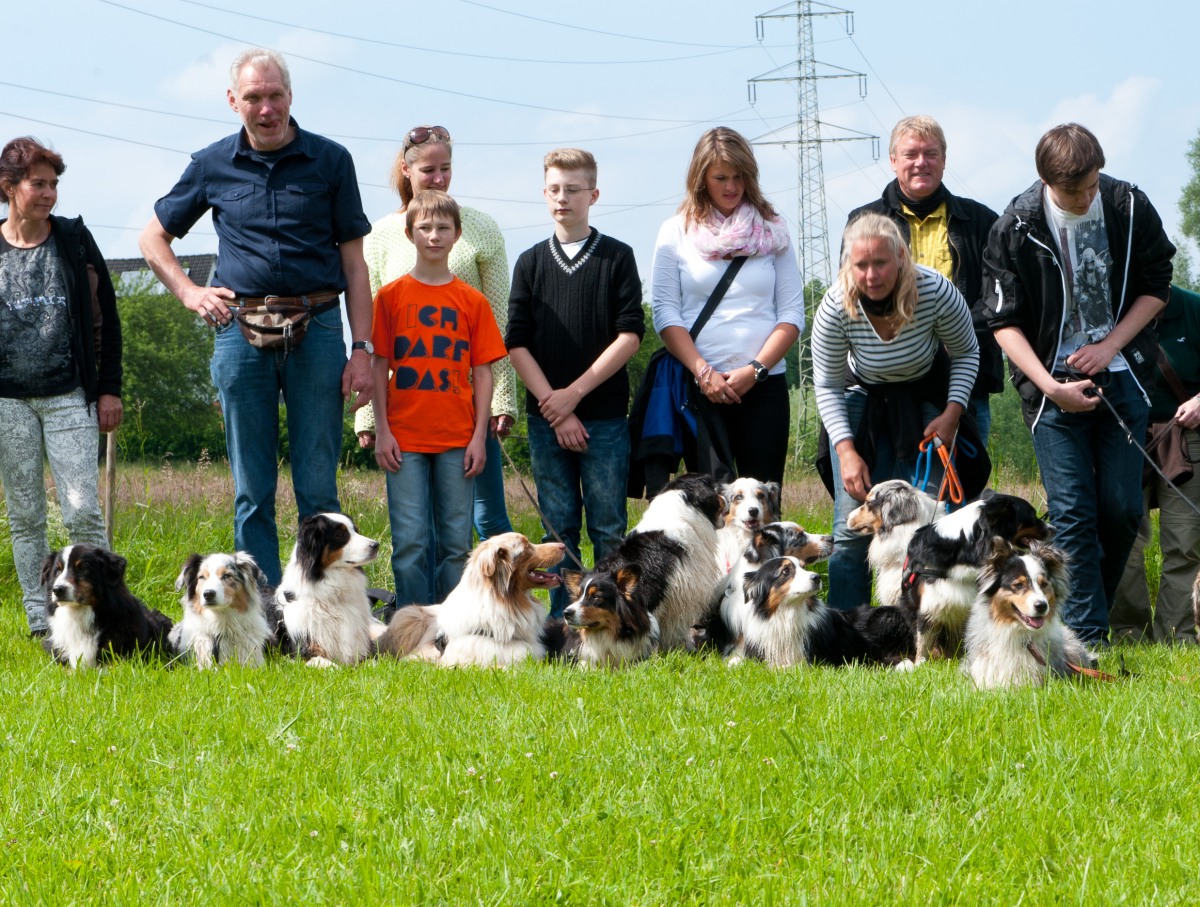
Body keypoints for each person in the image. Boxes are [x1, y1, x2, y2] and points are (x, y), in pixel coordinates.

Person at [138, 48, 374, 586]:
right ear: (232, 101)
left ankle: (319, 607)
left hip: (318, 328)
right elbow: (152, 238)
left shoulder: (331, 160)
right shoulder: (210, 163)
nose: (266, 108)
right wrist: (191, 293)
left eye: (274, 96)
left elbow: (355, 267)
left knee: (318, 487)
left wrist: (362, 350)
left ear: (290, 96)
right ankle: (264, 612)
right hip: (238, 333)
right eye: (253, 97)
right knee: (252, 488)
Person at [983, 123, 1175, 649]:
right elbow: (1003, 323)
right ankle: (1088, 639)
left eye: (1093, 183)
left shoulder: (1128, 206)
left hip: (1124, 377)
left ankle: (1085, 618)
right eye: (1075, 191)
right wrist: (1049, 385)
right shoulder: (1016, 226)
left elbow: (1158, 285)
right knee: (1072, 512)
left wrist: (1110, 345)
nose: (1088, 196)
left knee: (1122, 510)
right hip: (1051, 390)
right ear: (1046, 181)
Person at [357, 124, 517, 543]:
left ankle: (494, 607)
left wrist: (503, 398)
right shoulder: (377, 235)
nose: (440, 178)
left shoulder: (478, 227)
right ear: (406, 171)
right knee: (417, 529)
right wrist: (369, 413)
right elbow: (375, 334)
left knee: (487, 516)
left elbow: (497, 321)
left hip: (467, 403)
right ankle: (420, 609)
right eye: (429, 170)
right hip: (408, 408)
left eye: (446, 168)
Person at [813, 213, 979, 610]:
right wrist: (846, 453)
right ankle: (849, 627)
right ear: (848, 266)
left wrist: (952, 414)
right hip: (861, 400)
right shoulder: (835, 306)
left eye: (880, 263)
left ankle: (938, 624)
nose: (871, 275)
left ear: (901, 257)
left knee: (934, 520)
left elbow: (967, 352)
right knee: (850, 527)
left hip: (925, 397)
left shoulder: (935, 290)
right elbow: (828, 384)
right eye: (861, 265)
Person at [506, 148, 645, 617]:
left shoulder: (617, 257)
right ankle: (563, 626)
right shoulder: (529, 262)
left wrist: (574, 396)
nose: (562, 198)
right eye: (554, 189)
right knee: (557, 530)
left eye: (573, 189)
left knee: (609, 527)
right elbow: (516, 343)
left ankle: (618, 620)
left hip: (603, 418)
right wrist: (553, 405)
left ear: (593, 194)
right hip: (546, 420)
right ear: (544, 193)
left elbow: (630, 336)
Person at [0, 137, 122, 638]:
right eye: (38, 183)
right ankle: (40, 621)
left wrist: (109, 388)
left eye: (54, 184)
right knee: (26, 515)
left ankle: (105, 611)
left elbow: (107, 317)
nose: (49, 193)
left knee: (82, 510)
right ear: (8, 187)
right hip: (8, 401)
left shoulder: (72, 239)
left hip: (69, 395)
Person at [370, 190, 507, 603]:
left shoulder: (472, 301)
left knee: (455, 543)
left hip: (456, 439)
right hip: (404, 439)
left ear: (457, 234)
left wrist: (479, 436)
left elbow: (483, 372)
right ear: (410, 234)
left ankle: (452, 626)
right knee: (411, 541)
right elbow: (378, 367)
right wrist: (381, 430)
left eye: (443, 228)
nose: (434, 235)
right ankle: (413, 625)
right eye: (425, 228)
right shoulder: (390, 298)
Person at [649, 126, 804, 488]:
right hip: (702, 389)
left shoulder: (773, 229)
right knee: (711, 505)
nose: (731, 186)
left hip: (764, 386)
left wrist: (756, 370)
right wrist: (704, 372)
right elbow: (666, 313)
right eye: (721, 177)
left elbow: (792, 313)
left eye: (739, 177)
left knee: (764, 505)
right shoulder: (675, 231)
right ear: (701, 177)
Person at [846, 115, 1001, 442]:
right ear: (892, 161)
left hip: (961, 379)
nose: (921, 163)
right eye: (910, 154)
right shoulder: (862, 222)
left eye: (931, 154)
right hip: (884, 384)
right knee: (883, 492)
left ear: (944, 160)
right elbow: (855, 296)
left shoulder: (983, 222)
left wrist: (950, 340)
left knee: (957, 489)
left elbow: (997, 300)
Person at [1111, 284, 1200, 645]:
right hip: (1123, 437)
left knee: (1184, 541)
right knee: (1125, 539)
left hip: (1186, 434)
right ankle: (1130, 634)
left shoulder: (1192, 309)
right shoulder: (1111, 312)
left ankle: (1177, 635)